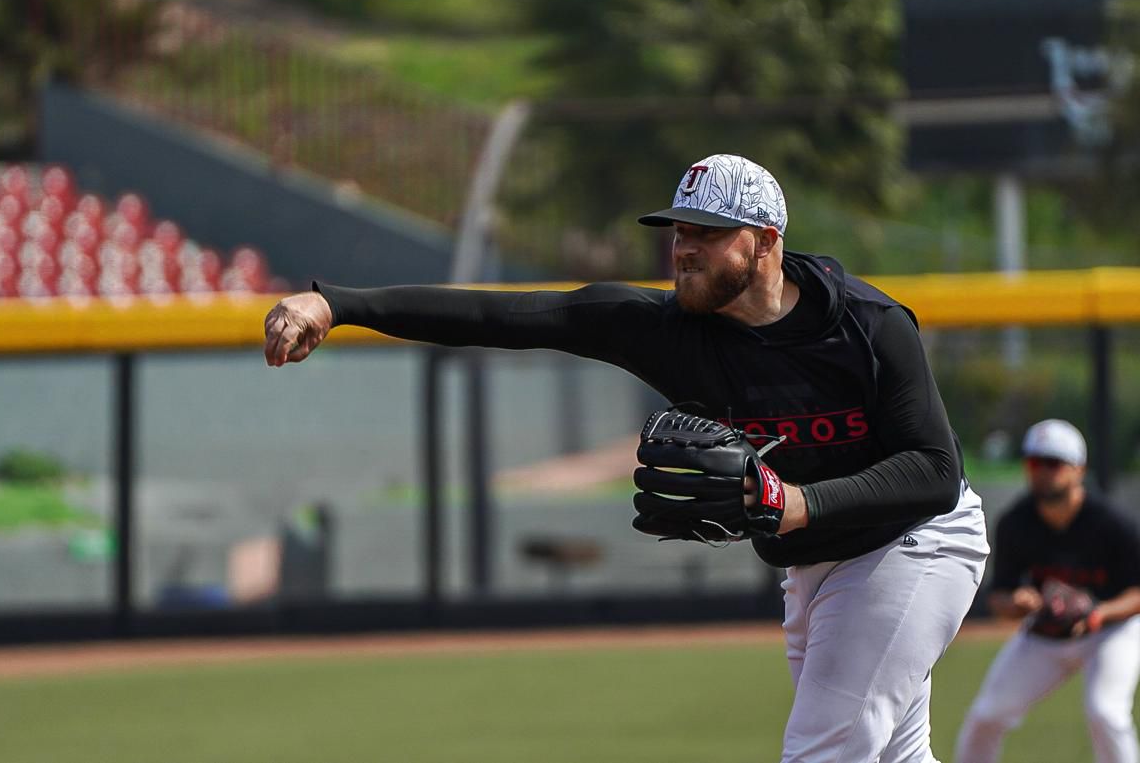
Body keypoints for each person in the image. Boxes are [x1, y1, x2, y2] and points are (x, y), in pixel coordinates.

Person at [264, 153, 990, 763]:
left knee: (823, 749)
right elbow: (506, 317)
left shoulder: (867, 325)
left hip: (917, 541)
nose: (684, 247)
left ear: (765, 241)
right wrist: (340, 305)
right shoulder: (666, 330)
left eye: (708, 232)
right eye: (679, 230)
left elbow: (933, 470)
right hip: (817, 565)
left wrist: (798, 503)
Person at [954, 419, 1140, 763]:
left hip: (1111, 632)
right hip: (1047, 631)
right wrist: (1016, 602)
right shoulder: (1016, 523)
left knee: (1105, 712)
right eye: (1034, 462)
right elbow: (999, 596)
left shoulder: (1111, 523)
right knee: (986, 715)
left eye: (1052, 463)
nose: (1041, 471)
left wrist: (1099, 612)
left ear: (1078, 469)